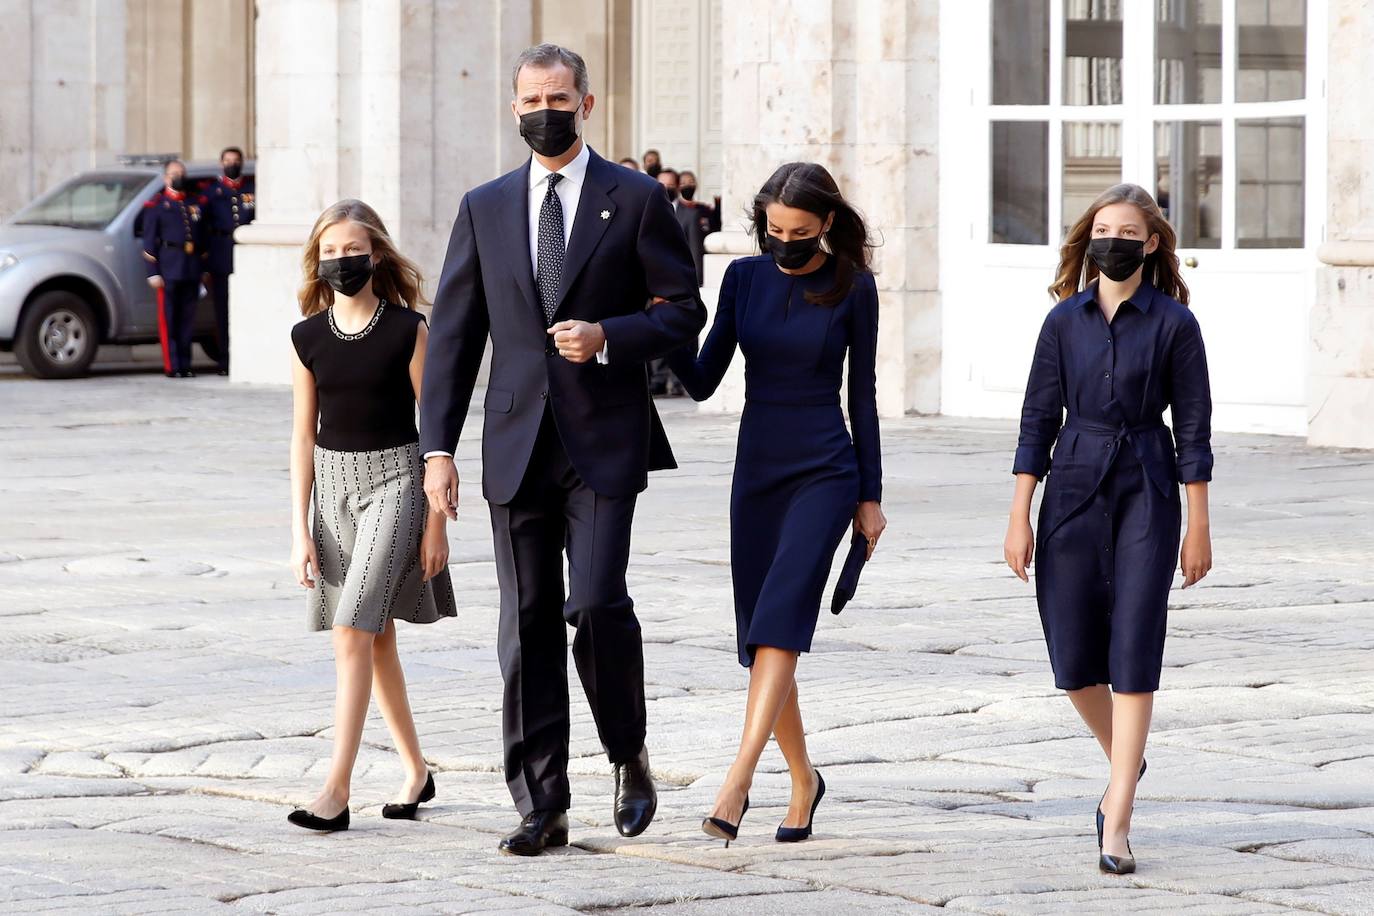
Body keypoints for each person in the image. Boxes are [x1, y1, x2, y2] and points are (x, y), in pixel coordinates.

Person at [420, 43, 705, 856]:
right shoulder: (484, 205)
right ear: (515, 110)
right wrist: (436, 450)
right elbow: (452, 337)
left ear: (585, 103)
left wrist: (609, 335)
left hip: (605, 441)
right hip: (514, 441)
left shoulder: (639, 198)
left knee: (595, 605)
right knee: (528, 621)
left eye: (558, 96)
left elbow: (683, 314)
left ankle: (628, 752)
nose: (543, 109)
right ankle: (542, 802)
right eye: (529, 99)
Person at [668, 162, 885, 846]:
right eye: (773, 229)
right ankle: (803, 777)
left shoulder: (855, 286)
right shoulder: (743, 278)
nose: (784, 241)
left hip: (826, 467)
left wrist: (871, 495)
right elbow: (702, 381)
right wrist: (664, 324)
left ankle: (738, 778)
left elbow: (865, 396)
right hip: (757, 467)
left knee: (783, 616)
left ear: (825, 224)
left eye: (798, 231)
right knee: (761, 633)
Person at [1003, 182, 1213, 875]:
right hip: (1070, 485)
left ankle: (1117, 814)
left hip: (1148, 486)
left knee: (1134, 643)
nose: (1113, 241)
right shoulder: (1062, 322)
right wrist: (1018, 516)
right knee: (1072, 659)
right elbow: (1037, 421)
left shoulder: (1176, 325)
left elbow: (1192, 430)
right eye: (1103, 230)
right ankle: (1130, 756)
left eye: (1128, 232)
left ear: (1151, 243)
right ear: (1087, 239)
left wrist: (1198, 525)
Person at [286, 199, 457, 832]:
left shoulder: (408, 329)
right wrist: (299, 528)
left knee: (352, 631)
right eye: (329, 252)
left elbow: (435, 424)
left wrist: (436, 521)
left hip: (396, 481)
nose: (340, 261)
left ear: (376, 254)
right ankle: (416, 770)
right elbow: (303, 437)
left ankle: (335, 789)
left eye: (352, 250)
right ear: (317, 259)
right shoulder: (306, 337)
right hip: (331, 492)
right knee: (376, 636)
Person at [141, 159, 207, 378]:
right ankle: (173, 365)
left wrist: (203, 268)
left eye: (181, 173)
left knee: (187, 319)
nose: (178, 177)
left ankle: (186, 365)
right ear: (165, 178)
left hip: (190, 267)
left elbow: (201, 239)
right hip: (169, 267)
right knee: (169, 319)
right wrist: (153, 272)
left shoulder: (194, 202)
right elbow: (149, 244)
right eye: (174, 174)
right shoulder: (157, 206)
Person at [200, 145, 256, 375]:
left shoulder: (252, 190)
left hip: (247, 258)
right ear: (221, 163)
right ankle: (226, 359)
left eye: (236, 160)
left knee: (249, 309)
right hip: (222, 255)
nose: (232, 164)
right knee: (223, 311)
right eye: (228, 160)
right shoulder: (213, 193)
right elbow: (203, 226)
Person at [656, 167, 705, 284]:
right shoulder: (645, 211)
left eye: (670, 185)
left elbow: (695, 252)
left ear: (678, 187)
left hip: (679, 281)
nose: (666, 188)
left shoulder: (691, 215)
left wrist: (696, 283)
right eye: (662, 185)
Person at [679, 169, 720, 234]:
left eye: (691, 182)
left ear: (696, 185)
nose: (688, 185)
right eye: (683, 183)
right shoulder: (674, 209)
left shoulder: (704, 209)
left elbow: (713, 228)